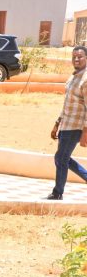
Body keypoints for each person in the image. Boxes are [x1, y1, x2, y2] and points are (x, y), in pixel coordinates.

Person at [48, 46, 87, 200]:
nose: (76, 59)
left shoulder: (85, 79)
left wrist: (85, 132)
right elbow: (67, 104)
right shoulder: (73, 77)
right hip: (66, 124)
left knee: (61, 158)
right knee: (61, 158)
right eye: (74, 57)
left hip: (76, 126)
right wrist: (57, 123)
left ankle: (58, 192)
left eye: (80, 57)